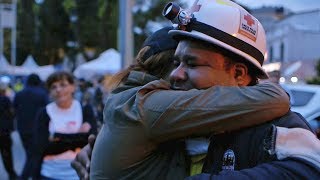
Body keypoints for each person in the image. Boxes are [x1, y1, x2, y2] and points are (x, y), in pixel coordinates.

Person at [71, 23, 314, 179]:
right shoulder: (161, 117)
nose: (178, 75)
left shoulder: (276, 125)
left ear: (240, 74)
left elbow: (310, 168)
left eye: (192, 63)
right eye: (176, 63)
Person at [29, 71, 97, 179]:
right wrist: (78, 137)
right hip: (50, 174)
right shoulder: (44, 113)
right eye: (53, 87)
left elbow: (91, 142)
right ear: (50, 92)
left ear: (73, 87)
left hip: (79, 174)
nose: (58, 90)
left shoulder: (84, 110)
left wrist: (57, 137)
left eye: (63, 85)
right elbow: (42, 147)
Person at [13, 73, 49, 179]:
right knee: (33, 155)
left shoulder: (19, 94)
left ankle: (32, 176)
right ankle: (27, 176)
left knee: (30, 154)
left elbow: (14, 110)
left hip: (22, 128)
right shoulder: (42, 94)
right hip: (37, 129)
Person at [0, 81, 17, 179]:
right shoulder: (5, 99)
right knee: (6, 154)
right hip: (4, 132)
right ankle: (11, 174)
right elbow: (12, 113)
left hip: (4, 131)